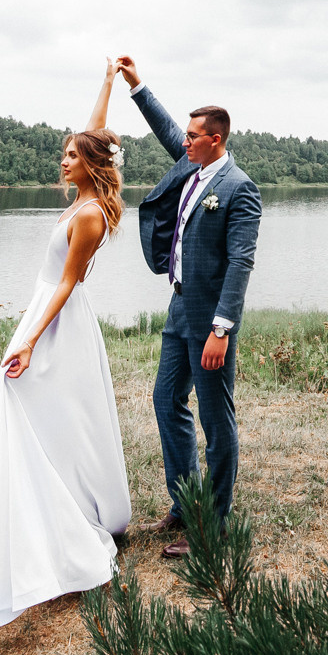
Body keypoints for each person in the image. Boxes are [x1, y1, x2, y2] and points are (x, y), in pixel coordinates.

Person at [0, 60, 132, 627]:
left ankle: (68, 519)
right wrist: (107, 82)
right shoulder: (82, 197)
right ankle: (23, 518)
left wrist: (29, 339)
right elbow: (95, 133)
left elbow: (68, 283)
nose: (63, 160)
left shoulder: (91, 217)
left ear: (93, 165)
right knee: (38, 414)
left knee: (45, 413)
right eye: (65, 152)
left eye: (72, 155)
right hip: (45, 314)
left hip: (57, 323)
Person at [115, 56, 261, 560]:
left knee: (216, 421)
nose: (186, 140)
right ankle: (186, 503)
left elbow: (241, 262)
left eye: (195, 136)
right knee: (166, 401)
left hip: (210, 319)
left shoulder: (238, 188)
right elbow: (167, 128)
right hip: (178, 309)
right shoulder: (191, 165)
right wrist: (137, 86)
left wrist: (222, 328)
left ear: (215, 140)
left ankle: (214, 527)